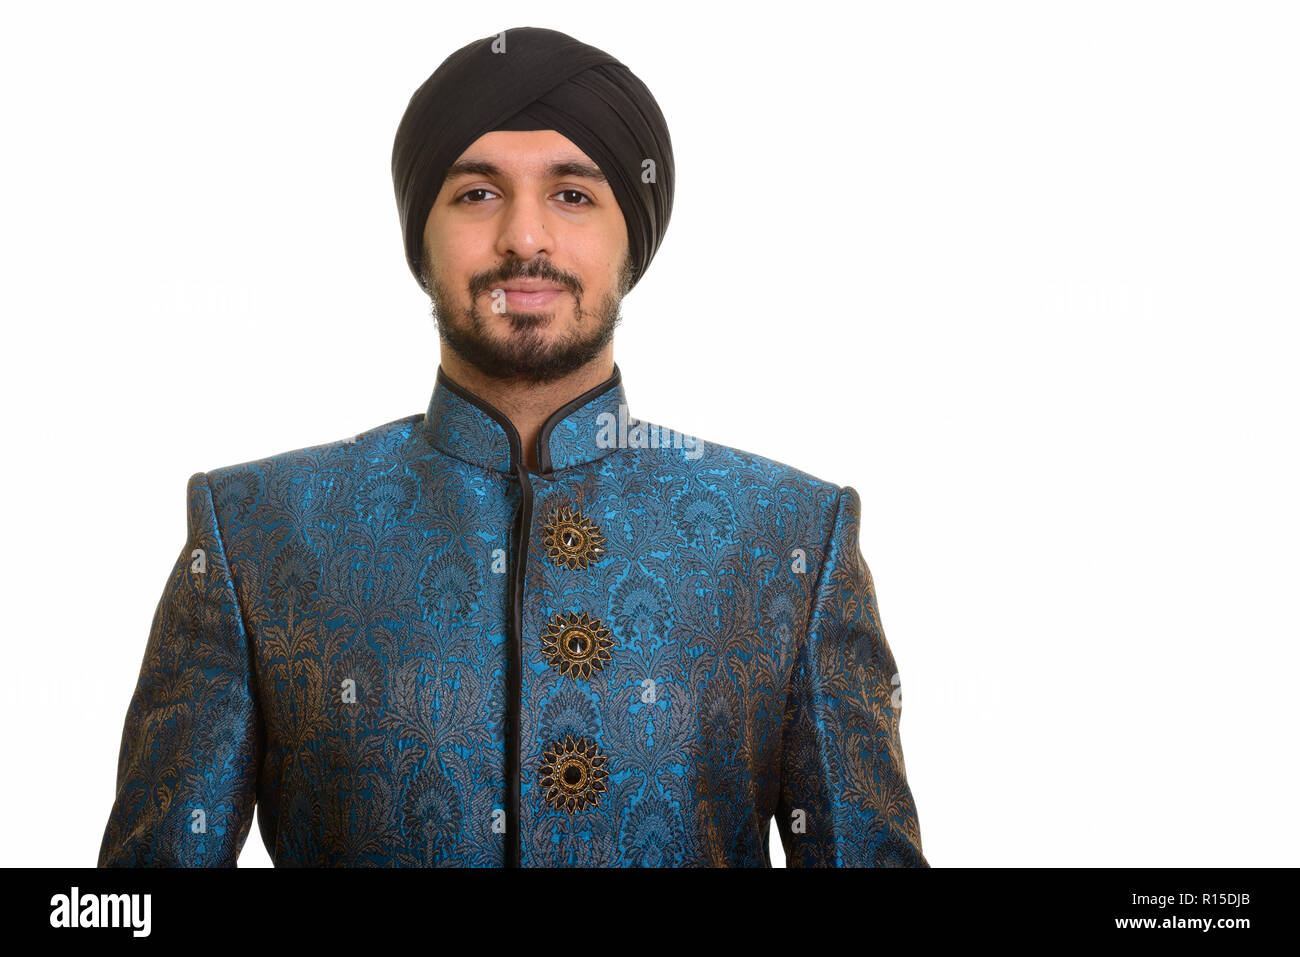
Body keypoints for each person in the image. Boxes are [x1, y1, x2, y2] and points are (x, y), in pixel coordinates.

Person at [98, 25, 928, 868]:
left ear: (629, 239)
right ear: (421, 239)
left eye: (573, 195)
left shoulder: (789, 537)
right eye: (477, 194)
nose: (525, 238)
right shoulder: (256, 533)